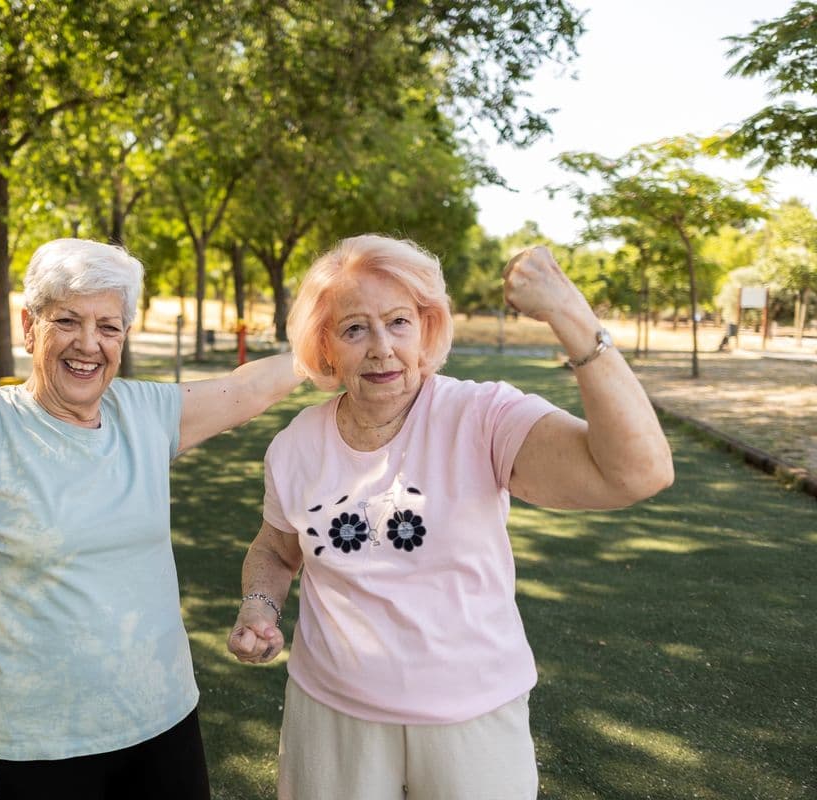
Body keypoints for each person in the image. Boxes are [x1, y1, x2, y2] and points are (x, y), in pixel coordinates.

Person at [0, 238, 302, 800]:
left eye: (109, 327)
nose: (88, 344)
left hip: (164, 726)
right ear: (29, 325)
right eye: (67, 320)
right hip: (37, 752)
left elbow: (249, 388)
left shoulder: (143, 412)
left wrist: (335, 339)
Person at [226, 235, 673, 800]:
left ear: (427, 327)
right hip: (330, 716)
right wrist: (258, 606)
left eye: (399, 321)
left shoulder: (483, 416)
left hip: (472, 718)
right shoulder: (295, 445)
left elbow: (639, 472)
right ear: (326, 346)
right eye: (355, 328)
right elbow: (275, 548)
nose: (382, 347)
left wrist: (570, 315)